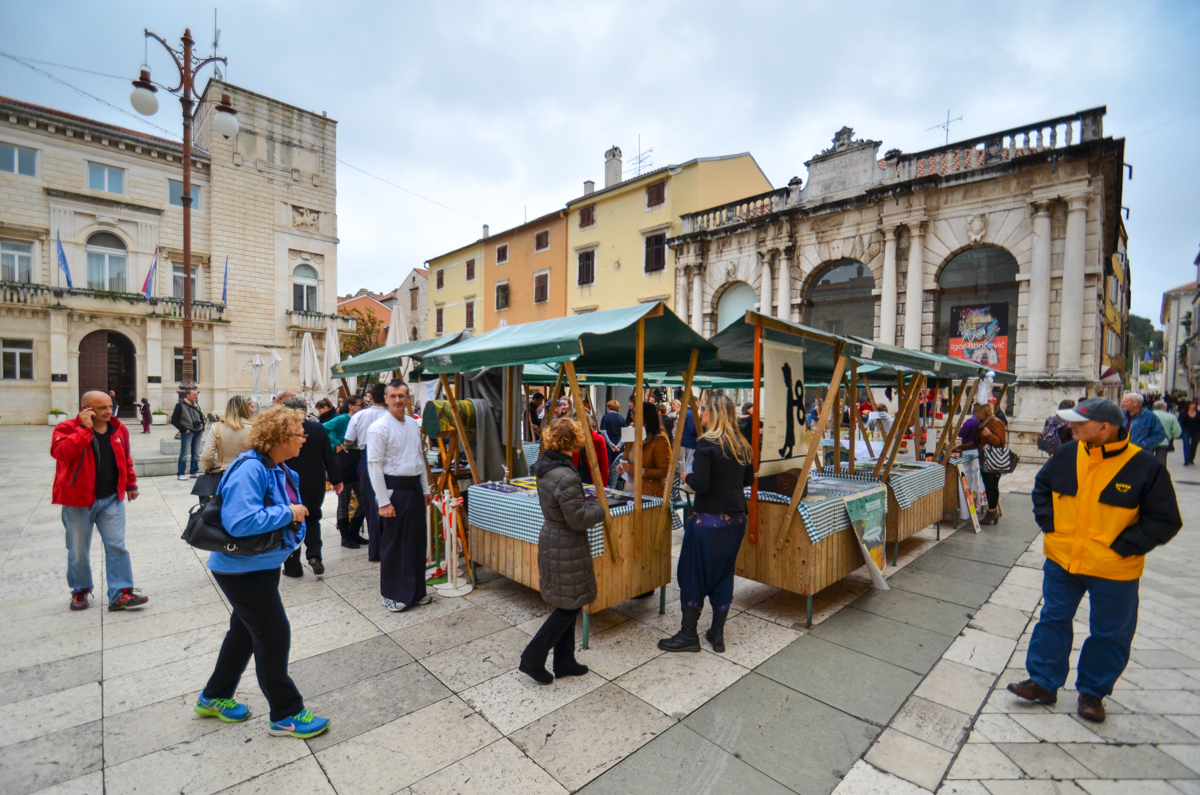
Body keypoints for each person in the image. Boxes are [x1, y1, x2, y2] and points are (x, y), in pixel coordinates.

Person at [1008, 398, 1182, 723]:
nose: (1069, 427)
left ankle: (1092, 692)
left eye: (1077, 422)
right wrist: (1051, 526)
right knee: (1052, 619)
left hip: (1114, 568)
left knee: (1110, 634)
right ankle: (1044, 682)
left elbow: (1165, 519)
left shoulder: (1146, 467)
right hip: (1063, 561)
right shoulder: (1067, 454)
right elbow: (1042, 488)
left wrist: (1126, 546)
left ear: (1105, 428)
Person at [195, 405, 330, 738]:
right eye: (300, 432)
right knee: (273, 635)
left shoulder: (276, 466)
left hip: (261, 564)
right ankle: (286, 714)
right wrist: (289, 512)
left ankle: (214, 696)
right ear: (280, 436)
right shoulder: (251, 468)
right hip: (243, 570)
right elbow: (240, 522)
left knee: (243, 635)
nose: (304, 437)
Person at [660, 393, 755, 653]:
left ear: (712, 414)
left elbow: (701, 484)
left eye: (703, 410)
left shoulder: (706, 444)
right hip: (735, 520)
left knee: (693, 573)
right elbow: (749, 481)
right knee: (723, 573)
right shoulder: (742, 444)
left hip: (708, 520)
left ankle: (688, 634)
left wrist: (687, 475)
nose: (700, 414)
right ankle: (717, 633)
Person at [519, 417, 604, 684]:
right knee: (569, 607)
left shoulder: (546, 467)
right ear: (573, 440)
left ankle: (564, 661)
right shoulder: (565, 475)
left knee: (570, 601)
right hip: (565, 542)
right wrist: (600, 510)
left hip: (554, 538)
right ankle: (532, 657)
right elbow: (577, 518)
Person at [51, 391, 148, 612]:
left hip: (111, 499)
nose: (108, 411)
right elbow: (61, 453)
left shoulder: (118, 428)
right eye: (102, 407)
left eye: (109, 406)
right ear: (86, 409)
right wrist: (84, 430)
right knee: (78, 549)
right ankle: (80, 589)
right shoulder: (66, 428)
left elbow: (126, 458)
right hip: (78, 502)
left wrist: (130, 484)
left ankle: (121, 593)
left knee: (116, 546)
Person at [367, 380, 432, 612]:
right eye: (393, 396)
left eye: (402, 396)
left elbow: (419, 457)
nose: (397, 400)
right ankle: (393, 594)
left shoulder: (414, 425)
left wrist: (425, 488)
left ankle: (416, 591)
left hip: (413, 488)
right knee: (395, 544)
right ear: (385, 398)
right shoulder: (379, 428)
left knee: (415, 542)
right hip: (394, 490)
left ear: (408, 398)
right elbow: (374, 465)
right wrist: (383, 501)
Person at [281, 397, 343, 577]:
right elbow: (328, 457)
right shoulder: (317, 428)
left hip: (289, 483)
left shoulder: (282, 430)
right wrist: (336, 480)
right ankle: (315, 556)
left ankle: (293, 566)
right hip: (314, 482)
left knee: (290, 520)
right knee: (313, 518)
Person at [345, 383, 388, 561]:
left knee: (371, 505)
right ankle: (389, 547)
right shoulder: (393, 416)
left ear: (371, 396)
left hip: (366, 456)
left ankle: (375, 551)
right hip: (388, 458)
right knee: (388, 502)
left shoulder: (360, 415)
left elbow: (348, 441)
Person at [325, 396, 369, 547]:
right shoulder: (342, 419)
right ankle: (345, 537)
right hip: (344, 460)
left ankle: (353, 532)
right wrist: (335, 443)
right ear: (351, 406)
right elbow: (322, 428)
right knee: (344, 500)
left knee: (364, 499)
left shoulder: (362, 419)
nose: (363, 407)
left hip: (357, 459)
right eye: (360, 405)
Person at [618, 401, 672, 498]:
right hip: (627, 491)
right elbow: (627, 460)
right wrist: (622, 468)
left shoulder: (659, 440)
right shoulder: (631, 436)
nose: (632, 416)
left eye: (634, 413)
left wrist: (638, 470)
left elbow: (664, 471)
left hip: (648, 494)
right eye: (632, 413)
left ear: (645, 417)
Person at [201, 396, 256, 474]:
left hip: (224, 471)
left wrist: (209, 468)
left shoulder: (217, 427)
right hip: (248, 472)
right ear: (245, 409)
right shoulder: (254, 428)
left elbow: (207, 456)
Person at [171, 388, 206, 481]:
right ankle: (181, 473)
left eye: (197, 394)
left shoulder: (196, 405)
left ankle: (194, 471)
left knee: (196, 453)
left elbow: (200, 417)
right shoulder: (180, 405)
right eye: (194, 394)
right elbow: (173, 420)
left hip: (198, 431)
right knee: (185, 453)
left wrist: (202, 427)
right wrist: (184, 429)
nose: (196, 396)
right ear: (187, 395)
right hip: (188, 431)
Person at [571, 411, 610, 487]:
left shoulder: (598, 439)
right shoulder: (573, 439)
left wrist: (603, 487)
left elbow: (604, 466)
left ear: (588, 422)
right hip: (575, 481)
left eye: (581, 421)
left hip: (592, 481)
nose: (579, 424)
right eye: (576, 421)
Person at [1151, 400, 1182, 467]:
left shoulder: (1148, 415)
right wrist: (1171, 436)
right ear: (1164, 407)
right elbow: (1177, 431)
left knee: (1148, 459)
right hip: (1164, 441)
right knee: (1161, 461)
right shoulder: (1171, 417)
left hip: (1150, 441)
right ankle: (1160, 475)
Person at [679, 403, 698, 474]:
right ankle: (687, 480)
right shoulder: (690, 413)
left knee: (686, 461)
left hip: (684, 441)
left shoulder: (685, 412)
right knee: (690, 463)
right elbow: (692, 428)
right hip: (691, 441)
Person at [1181, 400, 1200, 466]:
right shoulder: (1184, 413)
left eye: (1195, 404)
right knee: (1186, 445)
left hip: (1196, 431)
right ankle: (1186, 460)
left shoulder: (1198, 413)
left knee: (1194, 445)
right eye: (1192, 404)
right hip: (1186, 430)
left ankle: (1191, 458)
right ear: (1188, 405)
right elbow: (1181, 421)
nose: (1194, 405)